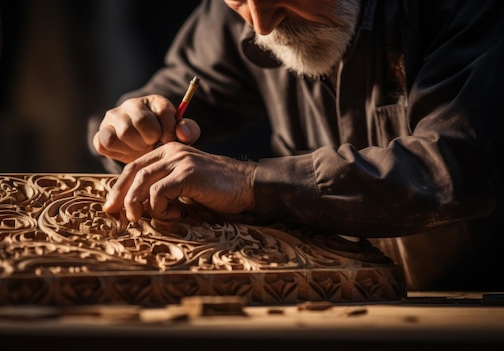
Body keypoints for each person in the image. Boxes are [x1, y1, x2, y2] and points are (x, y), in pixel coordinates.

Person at [89, 0, 504, 291]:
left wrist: (251, 183)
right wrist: (135, 127)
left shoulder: (467, 8)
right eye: (239, 4)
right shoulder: (244, 13)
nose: (262, 26)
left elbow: (455, 167)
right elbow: (175, 91)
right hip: (336, 301)